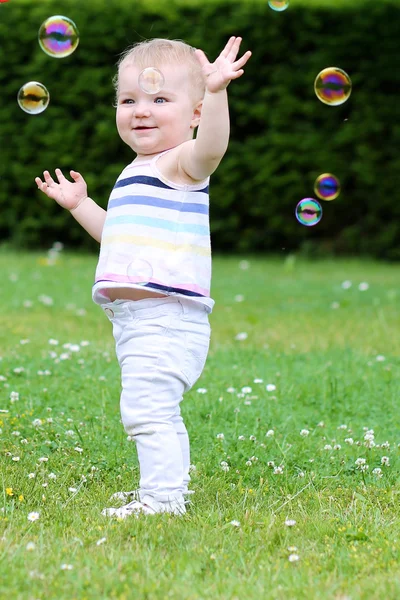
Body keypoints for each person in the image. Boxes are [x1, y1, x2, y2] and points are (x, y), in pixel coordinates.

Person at [35, 36, 252, 517]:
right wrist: (81, 205)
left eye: (159, 99)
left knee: (144, 410)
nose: (141, 110)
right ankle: (170, 487)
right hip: (136, 319)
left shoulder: (181, 164)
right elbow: (116, 236)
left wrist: (216, 93)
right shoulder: (136, 170)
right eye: (129, 99)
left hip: (166, 318)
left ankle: (161, 500)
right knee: (156, 411)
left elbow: (212, 149)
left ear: (193, 114)